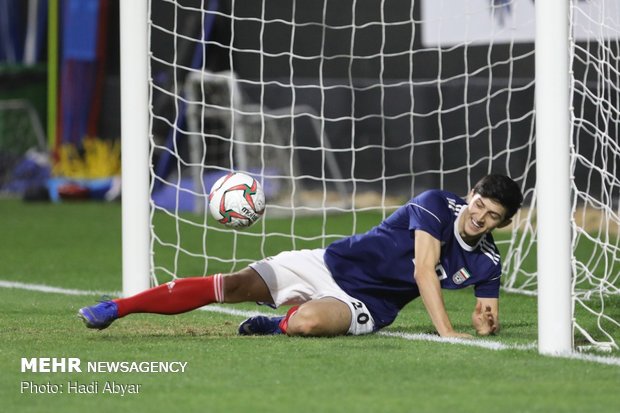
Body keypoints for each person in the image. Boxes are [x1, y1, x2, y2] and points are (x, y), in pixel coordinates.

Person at [78, 174, 523, 339]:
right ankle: (116, 308)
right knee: (233, 285)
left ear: (501, 224)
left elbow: (487, 314)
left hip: (367, 305)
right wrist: (447, 331)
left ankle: (278, 324)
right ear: (471, 194)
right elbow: (423, 270)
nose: (479, 216)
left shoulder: (488, 263)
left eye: (491, 216)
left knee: (309, 321)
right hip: (327, 262)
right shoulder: (434, 203)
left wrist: (485, 325)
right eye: (479, 203)